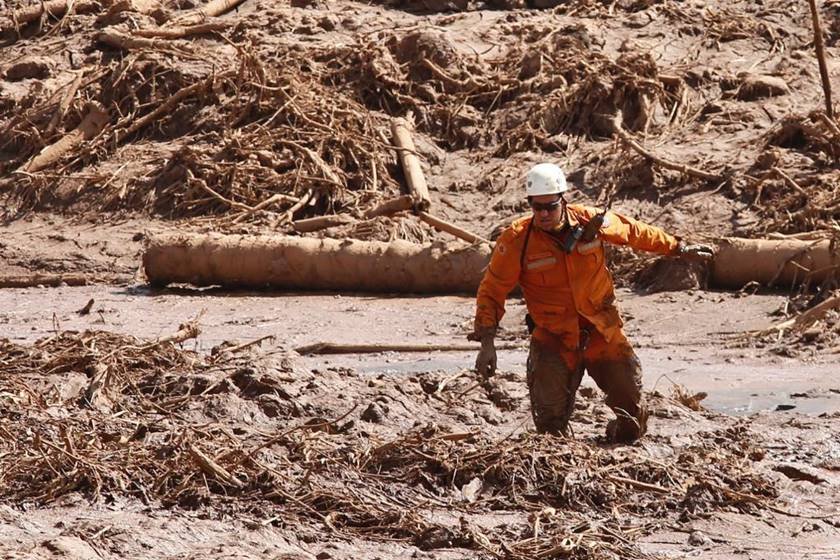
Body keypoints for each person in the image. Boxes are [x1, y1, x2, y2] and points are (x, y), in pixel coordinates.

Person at [470, 163, 713, 443]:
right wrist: (487, 342)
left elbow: (634, 232)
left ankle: (616, 435)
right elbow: (492, 289)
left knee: (633, 420)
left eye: (550, 206)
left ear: (563, 200)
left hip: (602, 332)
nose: (544, 214)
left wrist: (677, 248)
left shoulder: (590, 222)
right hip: (554, 339)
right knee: (549, 431)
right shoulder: (516, 240)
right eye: (537, 208)